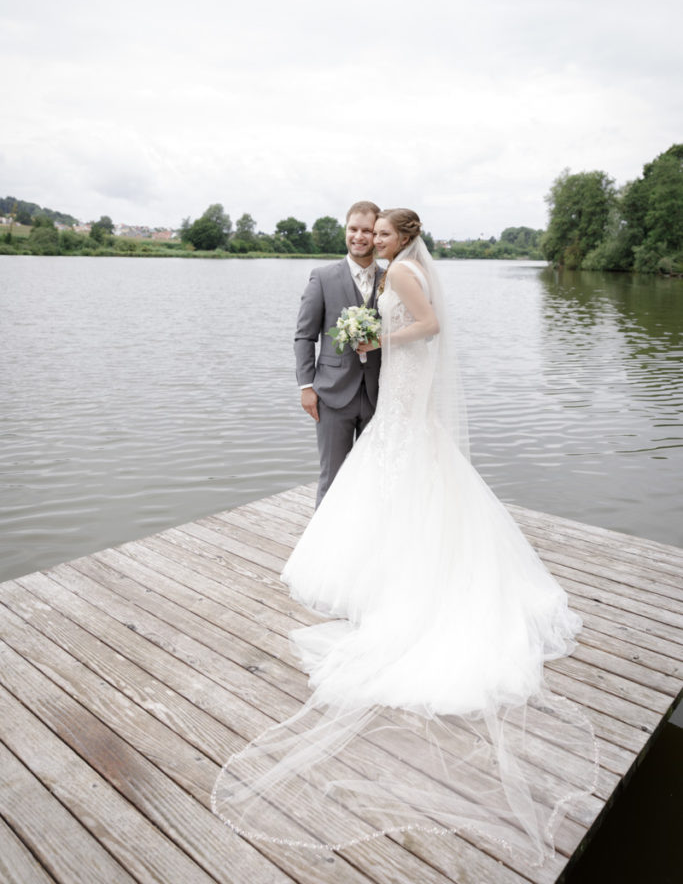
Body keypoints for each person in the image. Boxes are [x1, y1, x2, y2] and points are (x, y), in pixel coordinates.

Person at [213, 209, 597, 865]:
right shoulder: (350, 273)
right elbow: (308, 333)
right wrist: (316, 375)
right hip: (366, 394)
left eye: (382, 234)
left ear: (398, 237)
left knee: (405, 475)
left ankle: (402, 579)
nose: (375, 242)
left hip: (398, 393)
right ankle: (373, 570)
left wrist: (378, 341)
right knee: (359, 479)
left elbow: (429, 327)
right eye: (370, 235)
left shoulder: (406, 273)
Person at [294, 200, 382, 506]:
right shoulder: (322, 277)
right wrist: (306, 387)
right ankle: (323, 551)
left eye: (366, 230)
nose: (358, 236)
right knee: (331, 478)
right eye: (353, 229)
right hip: (331, 395)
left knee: (376, 478)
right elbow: (304, 336)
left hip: (380, 396)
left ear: (378, 234)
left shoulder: (391, 279)